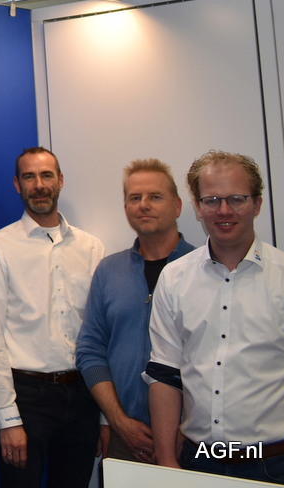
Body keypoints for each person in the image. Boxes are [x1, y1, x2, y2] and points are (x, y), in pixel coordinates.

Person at [145, 151, 284, 484]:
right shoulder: (174, 278)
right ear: (198, 207)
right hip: (198, 461)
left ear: (257, 204)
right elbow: (164, 373)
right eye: (211, 200)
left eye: (236, 199)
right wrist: (166, 461)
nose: (224, 211)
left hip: (277, 465)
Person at [0, 146, 105, 487]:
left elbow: (102, 334)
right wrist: (8, 420)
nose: (39, 185)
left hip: (84, 396)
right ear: (17, 185)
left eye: (46, 175)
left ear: (60, 180)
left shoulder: (92, 248)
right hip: (27, 400)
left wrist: (105, 416)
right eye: (29, 177)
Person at [76, 159, 193, 467]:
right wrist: (117, 421)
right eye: (135, 197)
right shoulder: (108, 271)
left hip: (191, 442)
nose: (144, 205)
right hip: (126, 441)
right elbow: (90, 350)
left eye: (155, 196)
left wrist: (187, 429)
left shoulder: (203, 269)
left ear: (177, 206)